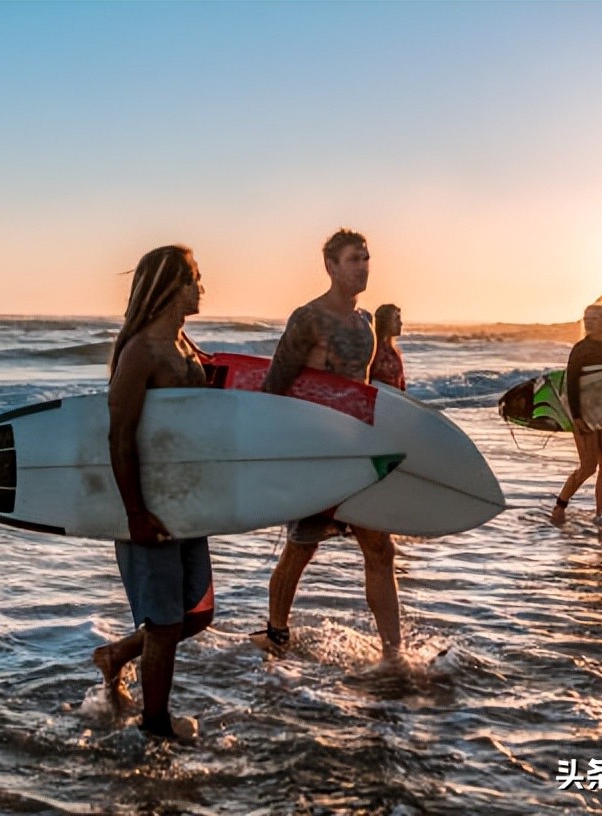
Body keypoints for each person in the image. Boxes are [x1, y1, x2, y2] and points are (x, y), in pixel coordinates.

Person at [251, 229, 403, 661]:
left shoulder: (366, 321)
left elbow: (369, 390)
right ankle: (276, 633)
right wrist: (276, 456)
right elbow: (274, 387)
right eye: (354, 259)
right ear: (331, 266)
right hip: (315, 453)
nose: (363, 267)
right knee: (301, 548)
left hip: (356, 451)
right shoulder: (308, 319)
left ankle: (392, 653)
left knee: (381, 549)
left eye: (366, 258)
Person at [92, 245, 215, 740]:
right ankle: (156, 727)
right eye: (194, 279)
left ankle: (117, 654)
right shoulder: (141, 352)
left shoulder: (183, 344)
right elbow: (119, 436)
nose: (201, 288)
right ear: (170, 287)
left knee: (196, 615)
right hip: (150, 506)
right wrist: (135, 514)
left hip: (186, 503)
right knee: (165, 625)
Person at [550, 300, 602, 528]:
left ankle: (601, 514)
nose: (588, 322)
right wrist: (577, 418)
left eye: (594, 319)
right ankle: (560, 506)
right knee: (589, 465)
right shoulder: (580, 349)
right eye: (586, 319)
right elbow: (571, 384)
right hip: (583, 411)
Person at [369, 303, 406, 390]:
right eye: (396, 319)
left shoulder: (395, 351)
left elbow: (401, 385)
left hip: (393, 397)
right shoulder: (374, 350)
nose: (401, 323)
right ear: (385, 323)